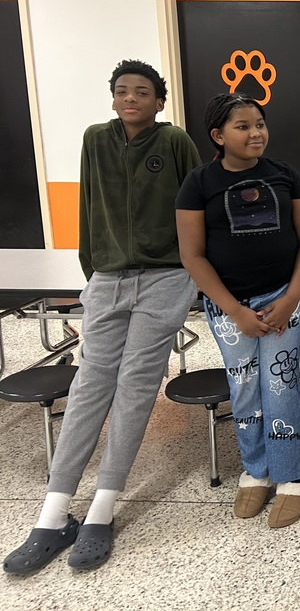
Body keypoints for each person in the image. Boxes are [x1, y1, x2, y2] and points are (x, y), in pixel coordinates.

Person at [3, 60, 201, 574]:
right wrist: (92, 272)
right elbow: (88, 205)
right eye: (121, 92)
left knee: (136, 386)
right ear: (112, 98)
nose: (130, 99)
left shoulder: (175, 141)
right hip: (108, 277)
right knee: (90, 386)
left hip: (165, 276)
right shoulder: (96, 140)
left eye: (142, 92)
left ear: (159, 101)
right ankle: (51, 514)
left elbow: (196, 203)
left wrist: (191, 271)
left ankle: (101, 508)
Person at [176, 93, 300, 527]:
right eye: (243, 126)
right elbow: (193, 255)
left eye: (259, 123)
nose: (256, 132)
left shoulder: (284, 175)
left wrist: (291, 297)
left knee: (280, 386)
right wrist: (235, 310)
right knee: (245, 388)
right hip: (229, 307)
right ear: (218, 135)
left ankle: (293, 477)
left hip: (282, 298)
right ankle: (256, 472)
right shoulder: (198, 184)